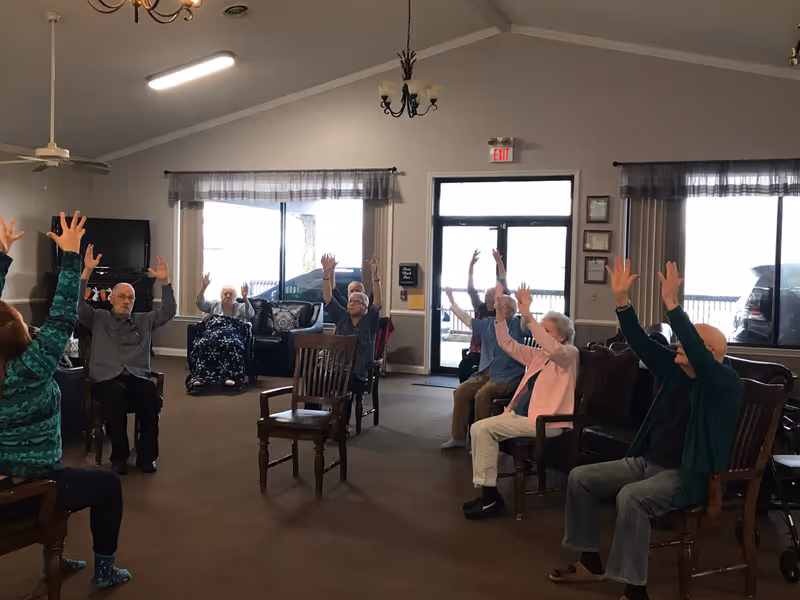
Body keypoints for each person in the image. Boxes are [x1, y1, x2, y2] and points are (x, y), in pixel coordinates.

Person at [550, 258, 743, 600]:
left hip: (688, 474)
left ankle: (635, 590)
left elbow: (696, 352)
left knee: (631, 498)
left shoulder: (723, 384)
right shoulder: (675, 371)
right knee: (581, 477)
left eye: (686, 344)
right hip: (646, 461)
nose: (678, 347)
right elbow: (639, 342)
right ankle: (590, 562)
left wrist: (673, 305)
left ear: (708, 352)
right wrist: (622, 302)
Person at [0, 213, 131, 590]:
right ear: (20, 337)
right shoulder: (32, 369)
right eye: (24, 325)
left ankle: (54, 559)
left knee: (65, 472)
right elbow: (61, 317)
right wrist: (72, 258)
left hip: (3, 483)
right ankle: (104, 571)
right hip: (29, 491)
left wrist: (1, 256)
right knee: (107, 486)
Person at [462, 280, 578, 519]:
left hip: (546, 422)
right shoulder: (539, 356)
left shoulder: (569, 354)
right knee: (479, 429)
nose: (541, 335)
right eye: (541, 330)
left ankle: (490, 498)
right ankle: (488, 494)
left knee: (482, 430)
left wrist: (527, 314)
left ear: (563, 335)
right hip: (524, 416)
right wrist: (499, 316)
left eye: (548, 331)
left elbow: (553, 349)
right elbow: (507, 344)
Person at [79, 246, 176, 475]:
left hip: (136, 376)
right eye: (121, 296)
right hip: (106, 378)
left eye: (130, 297)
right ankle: (119, 457)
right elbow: (78, 306)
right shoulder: (98, 318)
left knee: (150, 396)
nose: (126, 300)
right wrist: (86, 273)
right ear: (111, 298)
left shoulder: (144, 320)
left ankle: (146, 458)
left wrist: (166, 282)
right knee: (116, 395)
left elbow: (169, 310)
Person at [441, 273, 526, 450]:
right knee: (461, 391)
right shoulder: (488, 323)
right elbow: (466, 320)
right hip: (486, 373)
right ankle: (458, 437)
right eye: (497, 305)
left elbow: (529, 325)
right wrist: (451, 300)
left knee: (482, 395)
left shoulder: (518, 325)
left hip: (507, 377)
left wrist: (525, 306)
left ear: (510, 311)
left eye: (502, 305)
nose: (497, 307)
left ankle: (481, 441)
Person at [322, 254, 382, 397]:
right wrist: (326, 274)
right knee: (312, 378)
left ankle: (342, 416)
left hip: (357, 370)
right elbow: (328, 296)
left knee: (345, 385)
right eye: (350, 301)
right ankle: (313, 414)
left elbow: (378, 301)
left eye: (357, 302)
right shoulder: (342, 316)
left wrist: (375, 275)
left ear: (365, 307)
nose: (352, 303)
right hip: (337, 366)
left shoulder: (370, 320)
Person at [188, 274, 254, 389]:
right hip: (213, 333)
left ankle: (229, 376)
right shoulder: (214, 305)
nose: (228, 296)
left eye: (231, 294)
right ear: (221, 295)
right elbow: (200, 304)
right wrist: (204, 287)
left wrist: (245, 297)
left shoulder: (240, 307)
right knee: (203, 343)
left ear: (235, 297)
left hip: (233, 334)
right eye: (225, 294)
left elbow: (250, 314)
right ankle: (200, 377)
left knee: (232, 344)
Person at [458, 249, 512, 383]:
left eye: (491, 293)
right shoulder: (479, 308)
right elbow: (470, 289)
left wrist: (499, 261)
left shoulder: (499, 311)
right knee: (464, 366)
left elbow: (503, 284)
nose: (487, 295)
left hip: (493, 352)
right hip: (476, 351)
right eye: (486, 293)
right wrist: (471, 265)